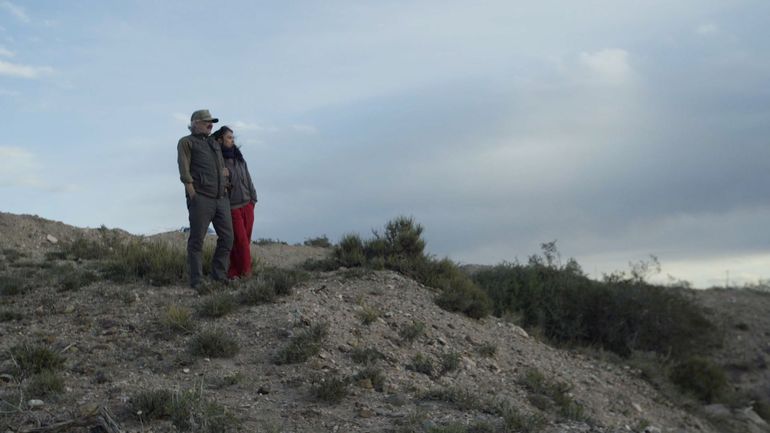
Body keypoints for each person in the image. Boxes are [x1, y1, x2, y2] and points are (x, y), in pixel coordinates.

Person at [177, 109, 234, 288]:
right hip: (201, 198)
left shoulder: (213, 144)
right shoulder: (186, 142)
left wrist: (225, 178)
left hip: (221, 198)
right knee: (197, 240)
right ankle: (197, 280)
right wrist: (191, 192)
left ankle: (219, 275)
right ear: (195, 123)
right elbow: (184, 168)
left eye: (212, 122)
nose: (210, 125)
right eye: (206, 121)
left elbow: (221, 165)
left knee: (228, 238)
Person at [212, 125, 257, 279]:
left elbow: (248, 178)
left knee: (246, 241)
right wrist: (221, 174)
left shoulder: (239, 157)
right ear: (220, 140)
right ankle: (246, 274)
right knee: (241, 242)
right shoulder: (218, 160)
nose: (232, 140)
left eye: (233, 138)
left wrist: (253, 199)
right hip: (232, 206)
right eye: (229, 138)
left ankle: (235, 271)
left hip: (248, 204)